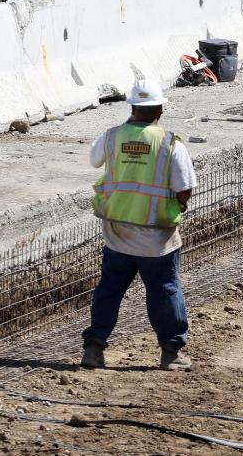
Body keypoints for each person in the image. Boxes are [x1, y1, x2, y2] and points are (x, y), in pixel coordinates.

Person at [81, 79, 197, 371]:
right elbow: (184, 187)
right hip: (156, 237)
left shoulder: (111, 137)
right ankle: (172, 353)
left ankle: (93, 349)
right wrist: (177, 206)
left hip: (118, 232)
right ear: (160, 108)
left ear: (132, 106)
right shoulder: (170, 142)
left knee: (109, 290)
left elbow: (94, 161)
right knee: (164, 290)